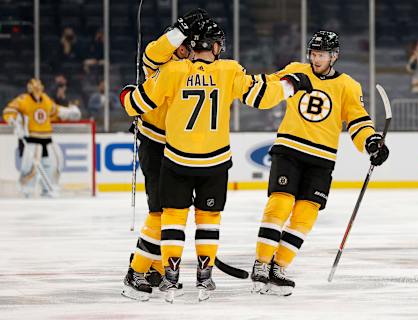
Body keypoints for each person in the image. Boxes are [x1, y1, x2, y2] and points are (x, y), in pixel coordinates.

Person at [120, 18, 313, 302]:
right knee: (182, 216)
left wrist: (127, 95)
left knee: (169, 215)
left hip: (174, 153)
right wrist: (289, 85)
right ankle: (171, 273)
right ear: (214, 45)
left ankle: (163, 273)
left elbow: (134, 103)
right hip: (184, 152)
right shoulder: (224, 69)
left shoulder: (172, 69)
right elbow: (261, 95)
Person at [249, 31, 390, 296]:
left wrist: (371, 141)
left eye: (321, 55)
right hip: (289, 149)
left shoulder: (348, 86)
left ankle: (278, 267)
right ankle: (261, 263)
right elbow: (268, 86)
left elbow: (358, 119)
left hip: (321, 159)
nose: (315, 59)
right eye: (313, 54)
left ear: (334, 56)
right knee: (280, 203)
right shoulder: (296, 71)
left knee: (305, 215)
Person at [120, 8, 210, 302]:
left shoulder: (189, 68)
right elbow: (156, 49)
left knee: (172, 210)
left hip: (176, 148)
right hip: (153, 144)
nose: (188, 49)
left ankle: (156, 267)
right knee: (160, 210)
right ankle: (136, 272)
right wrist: (181, 27)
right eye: (183, 43)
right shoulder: (158, 63)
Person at [2, 78, 81, 197]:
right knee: (30, 166)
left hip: (46, 138)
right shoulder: (23, 100)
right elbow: (8, 111)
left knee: (52, 164)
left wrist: (69, 112)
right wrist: (14, 121)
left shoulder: (46, 99)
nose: (37, 90)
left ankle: (49, 189)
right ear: (30, 89)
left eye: (39, 87)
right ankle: (26, 190)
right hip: (31, 139)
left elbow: (55, 111)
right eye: (35, 88)